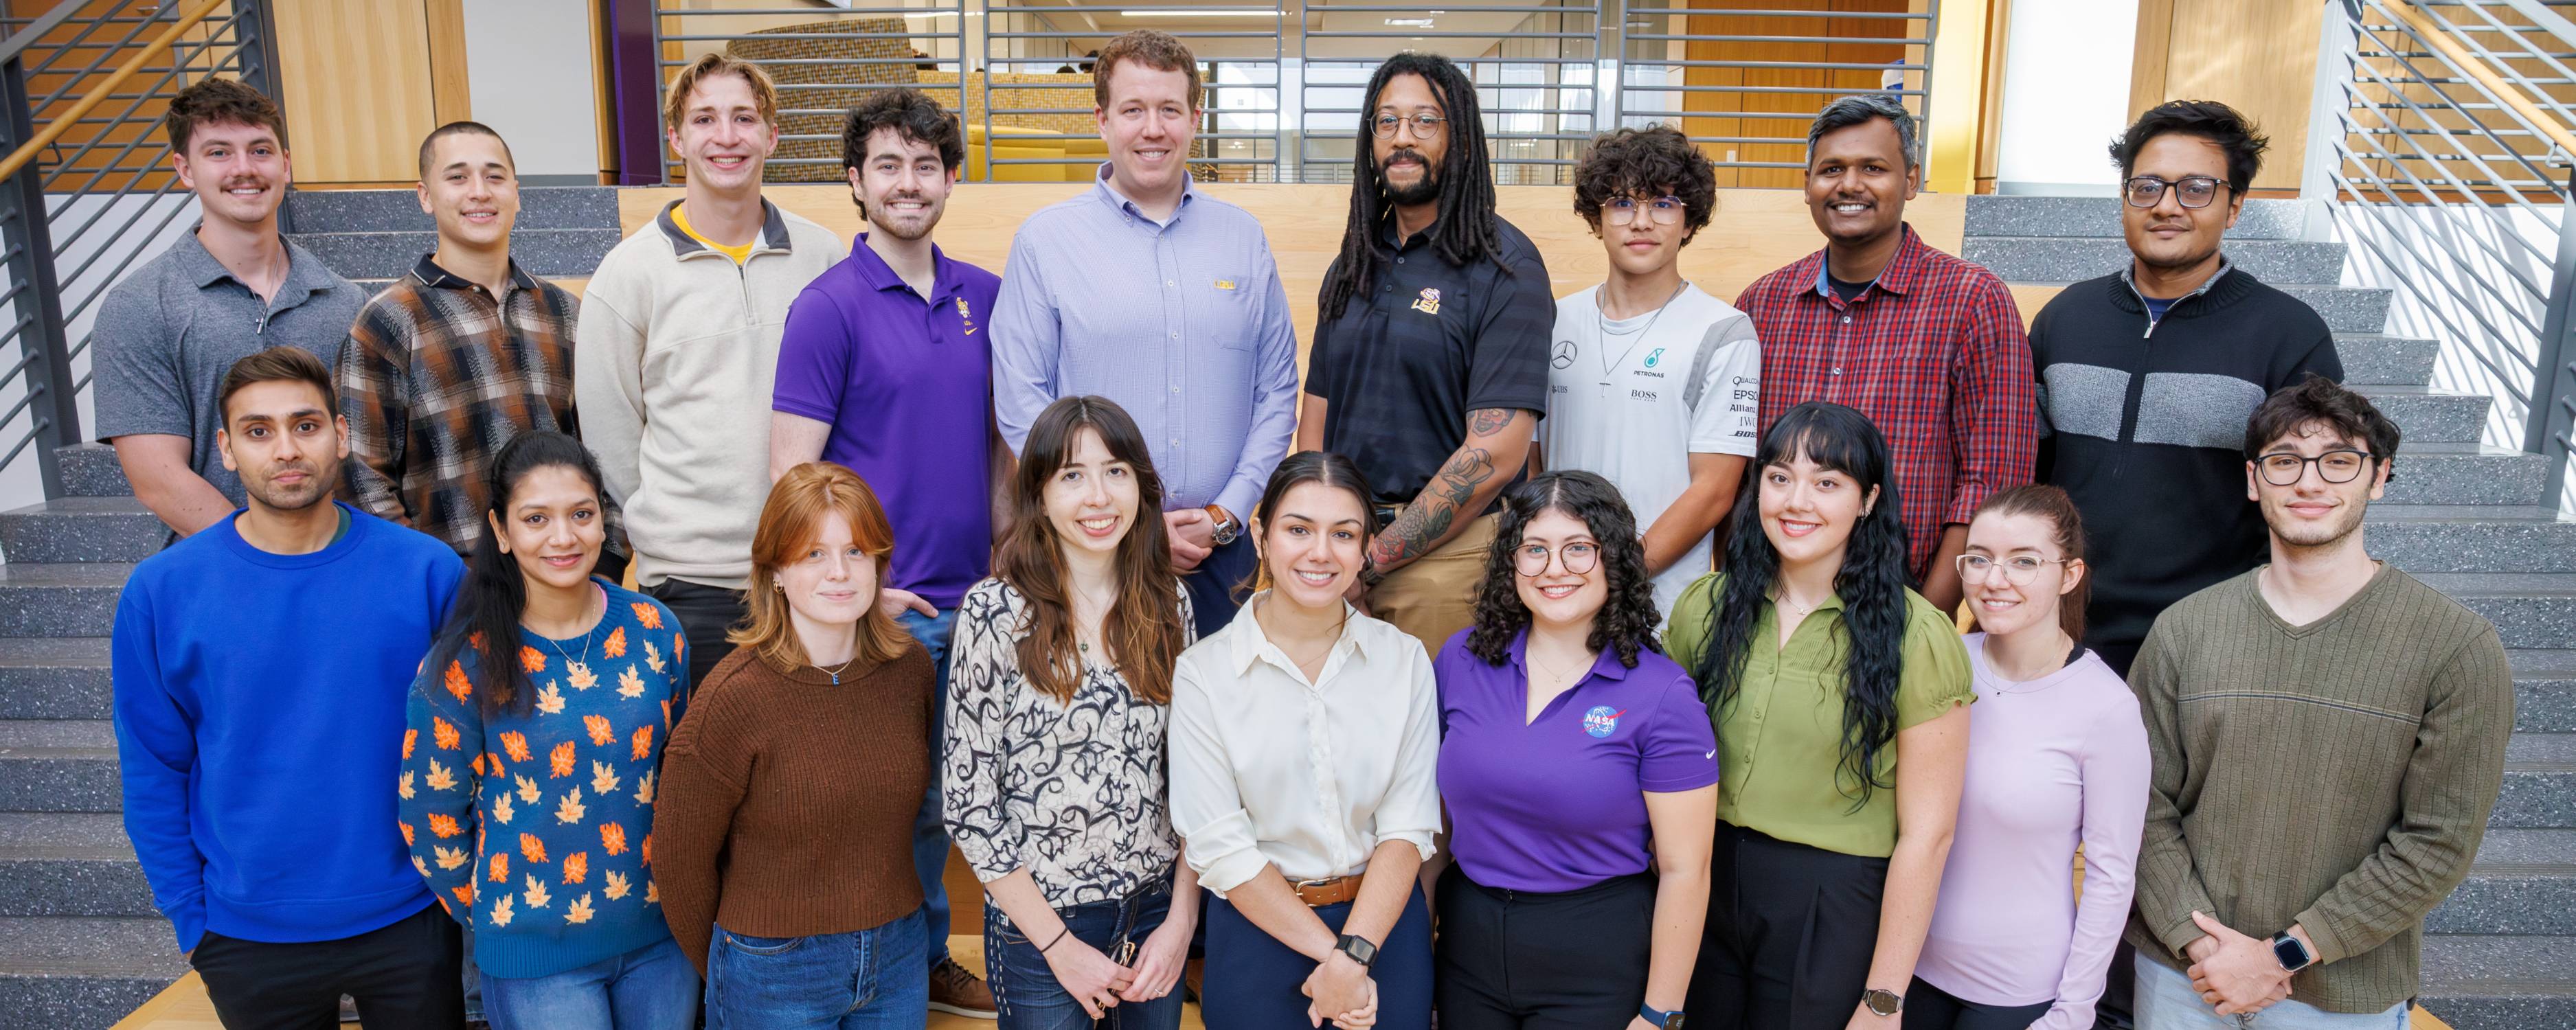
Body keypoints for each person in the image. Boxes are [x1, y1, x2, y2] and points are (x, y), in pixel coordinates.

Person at [2127, 377, 2513, 1028]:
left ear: (2379, 477)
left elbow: (2437, 841)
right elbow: (2137, 800)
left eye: (2340, 461)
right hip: (2185, 976)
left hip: (2342, 998)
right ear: (2255, 481)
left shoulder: (2456, 646)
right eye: (2284, 462)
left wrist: (2281, 955)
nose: (2310, 483)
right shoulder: (2184, 629)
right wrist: (2205, 948)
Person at [112, 347, 466, 1027]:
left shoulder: (425, 571)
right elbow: (154, 767)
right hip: (246, 935)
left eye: (305, 425)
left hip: (411, 919)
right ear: (225, 449)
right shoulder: (162, 592)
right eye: (258, 430)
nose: (286, 449)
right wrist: (193, 921)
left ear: (340, 433)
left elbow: (467, 743)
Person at [768, 87, 1003, 1017]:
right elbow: (794, 477)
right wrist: (857, 595)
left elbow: (998, 454)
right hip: (881, 610)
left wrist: (1005, 577)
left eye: (926, 164)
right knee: (891, 805)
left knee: (955, 801)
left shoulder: (984, 295)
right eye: (888, 166)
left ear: (951, 176)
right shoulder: (825, 309)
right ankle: (897, 970)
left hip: (975, 605)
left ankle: (934, 952)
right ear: (855, 183)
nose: (909, 183)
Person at [1664, 400, 1974, 1030]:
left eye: (1826, 483)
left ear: (1867, 500)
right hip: (1698, 879)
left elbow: (1930, 834)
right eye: (1779, 477)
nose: (1795, 501)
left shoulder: (1918, 635)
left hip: (1830, 902)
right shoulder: (1706, 606)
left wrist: (1884, 998)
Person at [990, 29, 1300, 640]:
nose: (1152, 129)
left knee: (1219, 733)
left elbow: (1277, 392)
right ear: (1103, 119)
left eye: (1169, 110)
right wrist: (1129, 521)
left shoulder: (1243, 238)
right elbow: (1022, 404)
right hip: (1090, 553)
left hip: (1223, 559)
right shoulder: (1045, 243)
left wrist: (1226, 514)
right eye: (1133, 110)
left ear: (1195, 117)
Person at [2029, 100, 2341, 676]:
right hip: (2058, 633)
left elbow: (2309, 500)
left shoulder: (2288, 334)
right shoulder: (2066, 318)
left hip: (2210, 647)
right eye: (2146, 187)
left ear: (2236, 206)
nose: (2167, 206)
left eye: (2196, 188)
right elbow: (2026, 471)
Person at [396, 431, 692, 1029]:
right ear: (502, 532)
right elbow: (428, 814)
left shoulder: (654, 628)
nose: (564, 537)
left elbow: (683, 774)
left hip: (663, 941)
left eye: (581, 514)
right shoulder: (464, 664)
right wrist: (497, 918)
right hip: (536, 959)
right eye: (537, 518)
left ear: (603, 523)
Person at [576, 52, 839, 685]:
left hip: (809, 569)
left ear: (772, 135)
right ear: (677, 138)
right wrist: (667, 527)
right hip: (690, 584)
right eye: (705, 119)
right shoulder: (628, 273)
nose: (727, 137)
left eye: (744, 118)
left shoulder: (823, 256)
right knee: (704, 777)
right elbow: (610, 433)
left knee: (807, 778)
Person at [655, 462, 942, 1027]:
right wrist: (733, 973)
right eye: (814, 553)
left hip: (900, 956)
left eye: (857, 552)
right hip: (773, 968)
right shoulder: (734, 698)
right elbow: (677, 862)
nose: (839, 572)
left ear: (880, 564)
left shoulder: (911, 670)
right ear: (776, 571)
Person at [945, 396, 1199, 1030]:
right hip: (1039, 926)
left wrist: (1181, 924)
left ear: (1141, 485)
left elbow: (1203, 782)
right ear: (1039, 491)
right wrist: (1059, 948)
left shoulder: (1171, 605)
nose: (1098, 497)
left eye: (1115, 471)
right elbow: (968, 804)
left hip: (1155, 917)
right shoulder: (993, 614)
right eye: (1072, 475)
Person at [1432, 470, 1718, 1030]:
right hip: (1468, 945)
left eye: (1578, 549)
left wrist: (1661, 1013)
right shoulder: (1460, 661)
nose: (1554, 569)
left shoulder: (1662, 694)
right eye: (1533, 549)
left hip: (1596, 954)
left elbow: (1688, 869)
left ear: (1614, 559)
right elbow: (1433, 833)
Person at [1168, 451, 1439, 1030]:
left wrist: (1357, 952)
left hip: (1385, 927)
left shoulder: (1404, 660)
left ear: (1366, 545)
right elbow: (1219, 845)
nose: (1321, 553)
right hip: (1258, 930)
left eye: (1344, 534)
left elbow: (1407, 827)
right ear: (1262, 536)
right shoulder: (1203, 672)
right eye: (1298, 530)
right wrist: (1337, 962)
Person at [1731, 95, 2033, 614]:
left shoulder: (1973, 300)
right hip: (1768, 606)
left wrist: (1923, 620)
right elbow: (1738, 473)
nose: (1850, 185)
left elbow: (1991, 481)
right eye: (1831, 170)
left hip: (1902, 604)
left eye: (1873, 168)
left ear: (1911, 181)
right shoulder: (1763, 304)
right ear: (1808, 184)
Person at [1298, 51, 1555, 656]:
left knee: (1432, 745)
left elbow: (1492, 456)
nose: (1402, 140)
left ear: (1460, 136)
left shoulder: (1506, 268)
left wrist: (1371, 564)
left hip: (1447, 562)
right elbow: (1316, 425)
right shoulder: (1353, 264)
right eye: (1386, 123)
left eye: (1424, 122)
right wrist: (1323, 547)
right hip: (1338, 549)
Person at [338, 122, 623, 578]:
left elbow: (608, 448)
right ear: (425, 195)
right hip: (453, 589)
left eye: (494, 176)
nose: (479, 192)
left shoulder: (567, 314)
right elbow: (362, 478)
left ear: (516, 191)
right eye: (457, 177)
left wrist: (607, 561)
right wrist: (430, 580)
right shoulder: (389, 320)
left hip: (568, 576)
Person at [1910, 485, 2147, 1030]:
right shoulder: (1939, 661)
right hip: (1908, 970)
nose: (1995, 580)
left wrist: (2074, 1009)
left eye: (2024, 562)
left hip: (2018, 993)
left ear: (2070, 575)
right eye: (1980, 559)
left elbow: (2113, 875)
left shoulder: (2107, 708)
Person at [95, 78, 363, 538]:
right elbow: (159, 480)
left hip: (341, 563)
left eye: (260, 151)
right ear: (185, 169)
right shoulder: (138, 306)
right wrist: (264, 559)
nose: (245, 169)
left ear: (285, 164)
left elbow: (364, 451)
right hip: (219, 571)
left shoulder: (346, 301)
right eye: (219, 153)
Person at [1545, 127, 1759, 616]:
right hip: (1553, 591)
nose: (1641, 221)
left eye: (1663, 204)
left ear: (1689, 222)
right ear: (1598, 219)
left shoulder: (1724, 330)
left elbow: (1714, 491)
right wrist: (1555, 569)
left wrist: (1615, 577)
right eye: (1622, 203)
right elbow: (1533, 464)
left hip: (1658, 605)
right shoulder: (1552, 320)